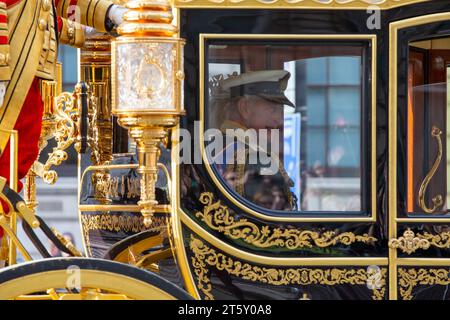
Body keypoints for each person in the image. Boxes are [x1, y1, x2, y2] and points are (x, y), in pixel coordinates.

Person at [0, 0, 126, 239]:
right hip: (12, 68)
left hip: (26, 71)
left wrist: (106, 14)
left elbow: (52, 6)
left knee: (16, 162)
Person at [209, 70, 297, 210]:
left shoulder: (213, 144)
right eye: (273, 109)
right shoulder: (256, 157)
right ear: (244, 108)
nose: (279, 120)